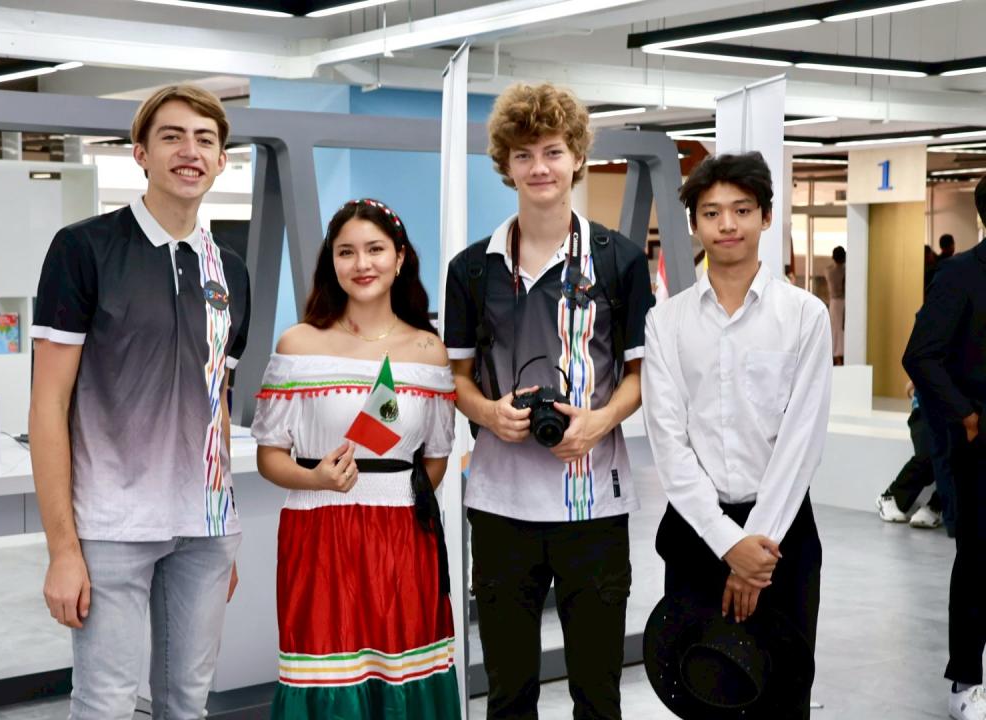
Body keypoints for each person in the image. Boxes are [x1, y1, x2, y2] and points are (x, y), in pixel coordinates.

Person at [28, 84, 250, 719]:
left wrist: (222, 521)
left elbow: (217, 402)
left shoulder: (230, 271)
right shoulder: (83, 249)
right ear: (141, 154)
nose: (189, 151)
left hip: (205, 530)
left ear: (221, 160)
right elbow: (48, 404)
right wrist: (62, 549)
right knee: (106, 703)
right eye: (171, 137)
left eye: (204, 140)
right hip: (111, 526)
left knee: (187, 703)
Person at [444, 82, 654, 719]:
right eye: (524, 154)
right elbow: (457, 378)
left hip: (594, 506)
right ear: (506, 165)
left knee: (598, 691)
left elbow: (641, 375)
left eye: (553, 152)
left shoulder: (619, 261)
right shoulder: (471, 270)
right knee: (508, 692)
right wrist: (488, 413)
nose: (540, 167)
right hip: (501, 505)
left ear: (577, 158)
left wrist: (599, 421)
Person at [642, 152, 832, 719]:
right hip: (697, 534)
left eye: (742, 210)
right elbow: (668, 441)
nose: (728, 224)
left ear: (766, 217)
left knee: (780, 694)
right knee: (702, 691)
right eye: (712, 213)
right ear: (695, 224)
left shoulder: (804, 315)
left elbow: (801, 440)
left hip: (782, 539)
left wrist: (756, 550)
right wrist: (729, 543)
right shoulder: (667, 321)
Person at [253, 198, 461, 718]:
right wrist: (316, 479)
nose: (361, 263)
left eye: (375, 249)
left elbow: (436, 458)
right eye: (346, 252)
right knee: (328, 674)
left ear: (400, 257)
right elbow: (269, 456)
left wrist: (392, 503)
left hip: (404, 541)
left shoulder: (428, 350)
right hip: (318, 536)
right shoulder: (298, 345)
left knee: (403, 674)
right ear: (332, 262)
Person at [903, 176, 986, 720]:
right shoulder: (960, 275)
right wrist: (967, 416)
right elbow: (921, 355)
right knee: (977, 564)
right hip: (980, 450)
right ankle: (966, 681)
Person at [875, 381, 944, 529]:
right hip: (927, 409)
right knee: (928, 454)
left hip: (960, 414)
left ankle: (936, 506)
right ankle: (891, 498)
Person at [825, 245, 845, 365]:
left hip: (833, 303)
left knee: (835, 330)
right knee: (841, 331)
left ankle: (836, 356)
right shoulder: (844, 270)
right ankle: (839, 356)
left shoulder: (828, 271)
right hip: (842, 302)